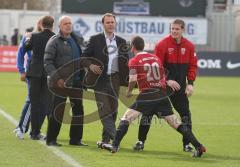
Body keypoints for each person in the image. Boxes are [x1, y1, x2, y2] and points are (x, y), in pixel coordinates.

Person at [102, 36, 206, 158]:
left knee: (126, 118)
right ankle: (199, 146)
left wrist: (129, 91)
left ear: (132, 47)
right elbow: (162, 78)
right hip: (161, 94)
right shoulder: (155, 58)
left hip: (147, 94)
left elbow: (133, 79)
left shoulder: (134, 61)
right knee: (176, 124)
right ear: (143, 46)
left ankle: (114, 145)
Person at [135, 19, 198, 152]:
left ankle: (187, 144)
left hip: (179, 88)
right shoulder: (162, 44)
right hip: (161, 87)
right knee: (147, 113)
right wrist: (167, 80)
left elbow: (193, 65)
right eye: (172, 29)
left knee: (186, 115)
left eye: (177, 29)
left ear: (183, 30)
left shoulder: (190, 46)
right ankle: (140, 141)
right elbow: (157, 66)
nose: (174, 31)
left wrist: (190, 83)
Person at [81, 13, 129, 148]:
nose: (110, 24)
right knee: (104, 110)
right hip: (100, 80)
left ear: (115, 24)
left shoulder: (121, 42)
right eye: (107, 22)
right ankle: (116, 138)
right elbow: (83, 57)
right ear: (103, 24)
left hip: (115, 80)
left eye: (112, 22)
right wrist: (90, 65)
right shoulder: (95, 39)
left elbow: (126, 62)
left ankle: (105, 140)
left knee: (113, 110)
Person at [44, 15, 87, 147]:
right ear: (59, 26)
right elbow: (48, 62)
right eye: (65, 24)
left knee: (78, 111)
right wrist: (57, 78)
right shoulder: (54, 41)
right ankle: (51, 139)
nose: (68, 25)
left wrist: (83, 78)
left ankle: (75, 139)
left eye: (70, 23)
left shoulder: (75, 40)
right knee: (58, 111)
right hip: (60, 83)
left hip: (76, 82)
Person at [13, 19, 45, 139]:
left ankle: (33, 131)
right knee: (32, 100)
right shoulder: (29, 36)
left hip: (44, 74)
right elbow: (21, 53)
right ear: (39, 24)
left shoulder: (49, 37)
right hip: (32, 73)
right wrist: (21, 71)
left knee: (40, 103)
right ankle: (22, 128)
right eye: (43, 24)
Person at [25, 15, 55, 140]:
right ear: (52, 24)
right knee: (48, 104)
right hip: (48, 73)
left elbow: (26, 48)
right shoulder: (55, 37)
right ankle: (51, 133)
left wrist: (27, 38)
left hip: (35, 72)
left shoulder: (35, 36)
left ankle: (35, 132)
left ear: (41, 24)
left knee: (35, 103)